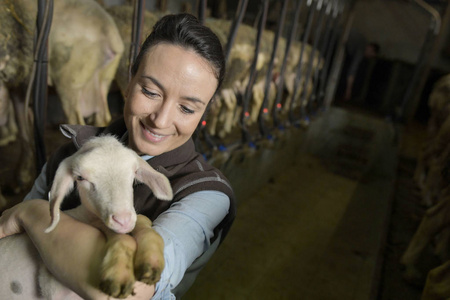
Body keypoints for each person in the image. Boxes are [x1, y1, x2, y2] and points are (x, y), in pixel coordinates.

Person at [0, 13, 235, 299]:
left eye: (187, 109)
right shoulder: (73, 152)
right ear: (129, 79)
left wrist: (32, 213)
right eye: (150, 91)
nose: (160, 120)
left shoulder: (207, 195)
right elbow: (12, 239)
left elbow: (131, 292)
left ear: (204, 113)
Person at [340, 29, 380, 102]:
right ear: (371, 49)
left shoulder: (361, 42)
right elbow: (352, 71)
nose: (369, 57)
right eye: (371, 55)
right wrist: (348, 91)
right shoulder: (361, 50)